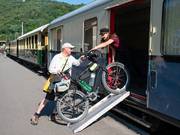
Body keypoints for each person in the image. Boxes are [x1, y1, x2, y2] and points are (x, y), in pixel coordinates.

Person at [30, 42, 83, 125]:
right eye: (70, 48)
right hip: (55, 81)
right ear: (65, 49)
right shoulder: (57, 57)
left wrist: (81, 59)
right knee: (47, 99)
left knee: (61, 99)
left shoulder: (70, 57)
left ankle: (53, 114)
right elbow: (50, 69)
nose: (71, 50)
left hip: (65, 82)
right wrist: (57, 71)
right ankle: (36, 114)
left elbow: (77, 63)